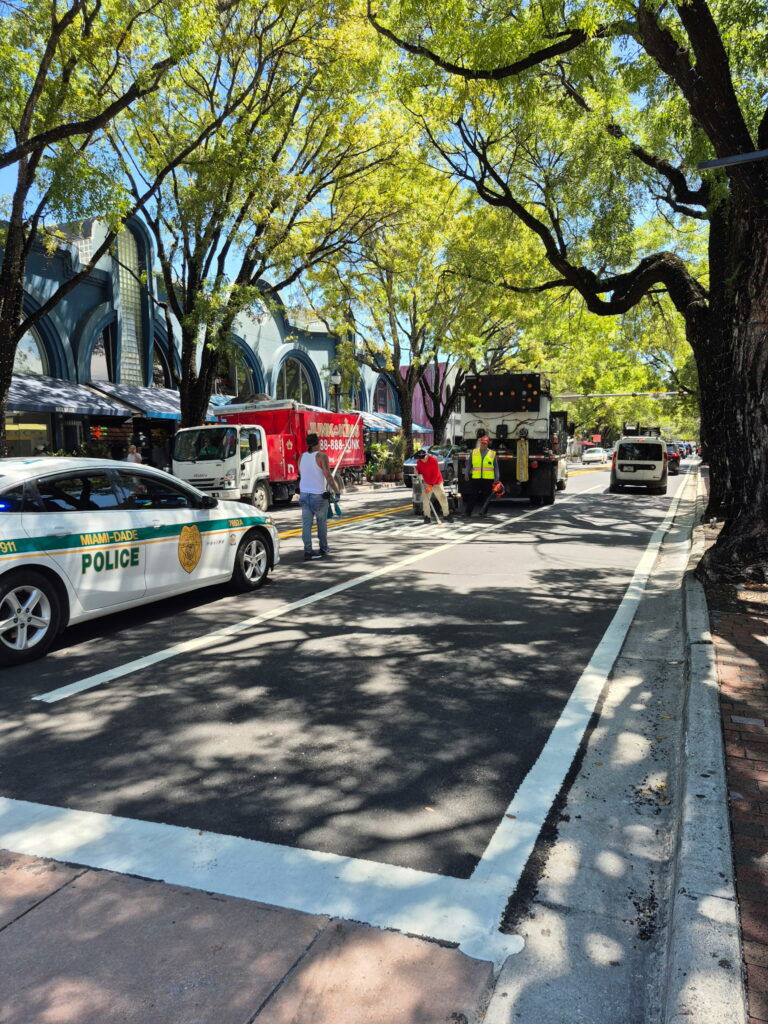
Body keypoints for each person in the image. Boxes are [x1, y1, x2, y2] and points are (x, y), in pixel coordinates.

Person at [299, 433, 338, 561]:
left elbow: (302, 473)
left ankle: (308, 550)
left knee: (306, 525)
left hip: (304, 495)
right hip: (318, 496)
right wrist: (337, 491)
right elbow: (328, 476)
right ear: (318, 443)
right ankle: (323, 547)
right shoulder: (321, 456)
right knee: (321, 523)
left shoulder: (301, 457)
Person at [463, 435, 499, 516]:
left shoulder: (492, 454)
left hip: (488, 479)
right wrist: (466, 473)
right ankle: (468, 512)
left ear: (487, 444)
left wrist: (497, 477)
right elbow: (469, 464)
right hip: (476, 478)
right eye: (482, 443)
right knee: (473, 495)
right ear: (480, 443)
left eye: (485, 443)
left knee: (486, 496)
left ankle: (484, 512)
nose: (483, 445)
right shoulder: (474, 452)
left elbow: (496, 466)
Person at [415, 448, 451, 523]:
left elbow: (436, 474)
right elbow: (419, 471)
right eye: (421, 459)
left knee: (442, 497)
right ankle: (427, 516)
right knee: (426, 500)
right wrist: (416, 472)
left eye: (423, 458)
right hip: (427, 483)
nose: (423, 460)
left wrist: (431, 485)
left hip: (437, 482)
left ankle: (446, 515)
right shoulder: (419, 462)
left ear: (427, 455)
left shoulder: (433, 460)